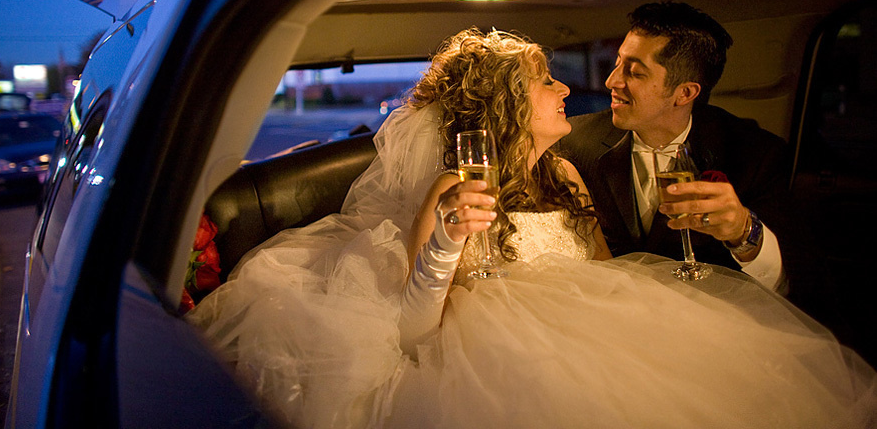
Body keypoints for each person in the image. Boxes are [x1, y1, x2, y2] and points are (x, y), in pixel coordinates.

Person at [188, 28, 876, 429]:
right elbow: (410, 330)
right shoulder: (454, 187)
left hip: (596, 323)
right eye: (547, 82)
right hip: (497, 350)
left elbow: (609, 273)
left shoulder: (570, 177)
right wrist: (443, 245)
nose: (567, 92)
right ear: (510, 106)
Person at [561, 1, 794, 292]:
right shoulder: (573, 142)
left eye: (634, 72)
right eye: (617, 63)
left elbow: (787, 285)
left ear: (684, 93)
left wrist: (744, 232)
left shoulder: (754, 153)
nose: (612, 81)